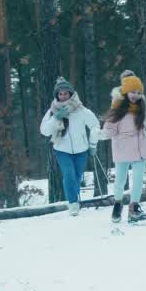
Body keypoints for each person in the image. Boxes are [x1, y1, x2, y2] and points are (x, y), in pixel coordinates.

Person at [39, 77, 101, 216]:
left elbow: (95, 125)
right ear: (57, 95)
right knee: (68, 174)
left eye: (66, 93)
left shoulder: (80, 109)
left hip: (81, 150)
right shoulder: (52, 111)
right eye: (60, 94)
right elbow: (44, 131)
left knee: (77, 176)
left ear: (71, 94)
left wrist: (92, 144)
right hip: (62, 150)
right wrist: (56, 118)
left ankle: (75, 199)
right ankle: (73, 203)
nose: (63, 96)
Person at [102, 70, 146, 224]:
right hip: (122, 148)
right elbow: (110, 130)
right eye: (132, 92)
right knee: (120, 180)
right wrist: (100, 134)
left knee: (138, 179)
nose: (136, 95)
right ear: (125, 91)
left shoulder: (141, 107)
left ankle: (134, 208)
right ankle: (118, 204)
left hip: (140, 149)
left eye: (139, 92)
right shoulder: (117, 108)